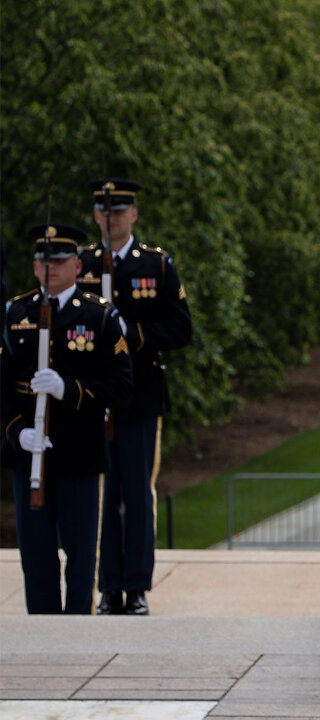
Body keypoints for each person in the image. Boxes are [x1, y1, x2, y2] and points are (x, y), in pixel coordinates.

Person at [2, 224, 132, 614]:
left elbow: (120, 385)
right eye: (43, 260)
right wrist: (16, 432)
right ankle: (43, 634)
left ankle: (78, 632)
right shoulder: (15, 314)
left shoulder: (99, 316)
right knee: (37, 559)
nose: (50, 268)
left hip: (79, 452)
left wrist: (68, 389)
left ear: (77, 265)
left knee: (80, 559)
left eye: (58, 261)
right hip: (30, 455)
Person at [79, 178, 192, 616]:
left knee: (139, 495)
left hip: (140, 397)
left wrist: (133, 333)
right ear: (96, 216)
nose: (113, 218)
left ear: (134, 215)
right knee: (104, 496)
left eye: (120, 211)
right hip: (94, 399)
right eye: (105, 212)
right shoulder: (82, 263)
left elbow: (180, 329)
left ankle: (137, 585)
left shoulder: (156, 266)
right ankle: (108, 586)